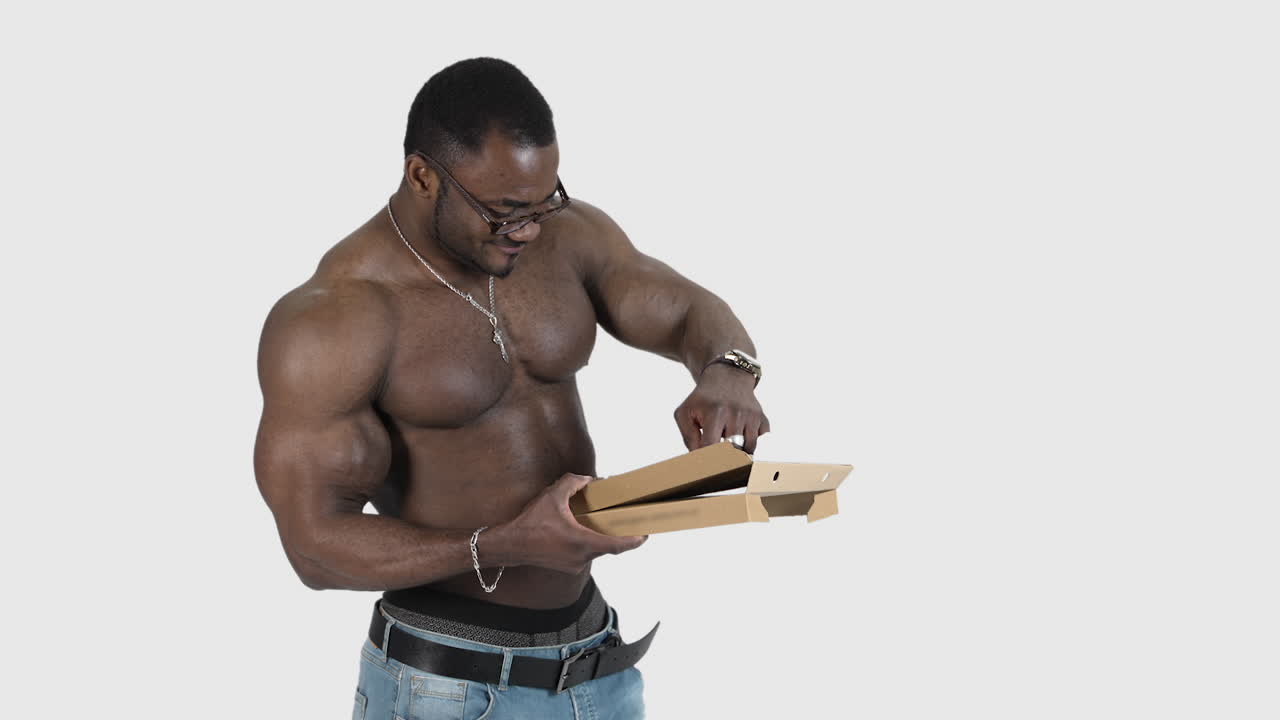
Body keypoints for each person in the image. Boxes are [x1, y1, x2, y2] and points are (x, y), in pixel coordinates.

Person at [253, 57, 769, 720]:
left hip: (597, 666)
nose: (527, 228)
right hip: (447, 688)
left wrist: (727, 369)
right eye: (503, 212)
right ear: (422, 177)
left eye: (543, 201)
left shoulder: (563, 236)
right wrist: (504, 543)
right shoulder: (336, 319)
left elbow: (680, 307)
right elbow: (313, 547)